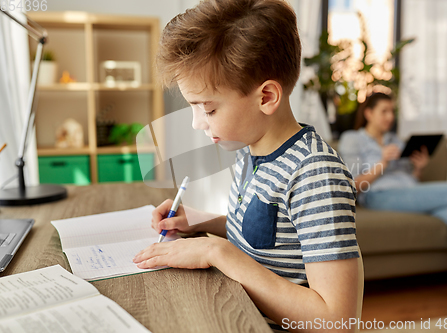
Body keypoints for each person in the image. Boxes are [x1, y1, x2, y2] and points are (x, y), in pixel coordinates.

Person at [132, 0, 361, 331]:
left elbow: (336, 320)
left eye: (208, 109)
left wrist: (218, 252)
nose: (197, 123)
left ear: (266, 97)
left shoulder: (315, 173)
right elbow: (266, 237)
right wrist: (200, 222)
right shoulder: (251, 149)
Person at [338, 92, 447, 320]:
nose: (390, 116)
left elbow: (412, 183)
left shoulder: (396, 141)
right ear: (369, 113)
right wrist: (383, 163)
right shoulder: (352, 139)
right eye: (384, 111)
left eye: (392, 111)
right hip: (380, 196)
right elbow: (352, 185)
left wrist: (419, 168)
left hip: (409, 194)